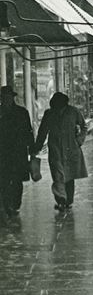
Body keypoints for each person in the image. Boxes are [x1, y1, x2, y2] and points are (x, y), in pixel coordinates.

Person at [32, 92, 87, 211]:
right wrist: (37, 147)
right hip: (55, 148)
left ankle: (68, 200)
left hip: (71, 148)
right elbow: (42, 132)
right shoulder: (49, 114)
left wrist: (79, 141)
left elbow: (84, 126)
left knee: (69, 176)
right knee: (58, 175)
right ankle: (61, 199)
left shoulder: (73, 112)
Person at [0, 86, 35, 216]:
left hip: (18, 151)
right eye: (3, 97)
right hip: (3, 152)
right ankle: (7, 205)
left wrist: (32, 149)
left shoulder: (22, 112)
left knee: (16, 179)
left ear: (12, 97)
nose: (5, 100)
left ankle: (15, 204)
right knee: (4, 179)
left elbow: (28, 131)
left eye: (8, 97)